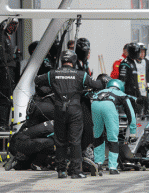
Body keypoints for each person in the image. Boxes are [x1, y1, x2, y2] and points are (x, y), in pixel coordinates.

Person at [34, 50, 104, 179]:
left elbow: (37, 80)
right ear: (74, 60)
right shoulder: (81, 75)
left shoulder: (53, 74)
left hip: (59, 110)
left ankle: (61, 171)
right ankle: (76, 171)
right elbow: (97, 84)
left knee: (60, 141)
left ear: (62, 60)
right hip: (75, 110)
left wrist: (50, 88)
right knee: (75, 141)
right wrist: (103, 81)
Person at [91, 79, 136, 175]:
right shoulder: (121, 94)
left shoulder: (100, 91)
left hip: (94, 103)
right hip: (109, 105)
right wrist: (133, 131)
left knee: (98, 135)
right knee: (112, 137)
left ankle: (97, 164)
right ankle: (112, 167)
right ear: (120, 87)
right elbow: (131, 113)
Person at [0, 18, 19, 131]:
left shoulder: (6, 37)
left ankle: (4, 123)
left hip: (8, 70)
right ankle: (2, 124)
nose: (14, 28)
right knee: (5, 98)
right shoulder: (2, 38)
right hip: (4, 71)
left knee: (8, 98)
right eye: (12, 25)